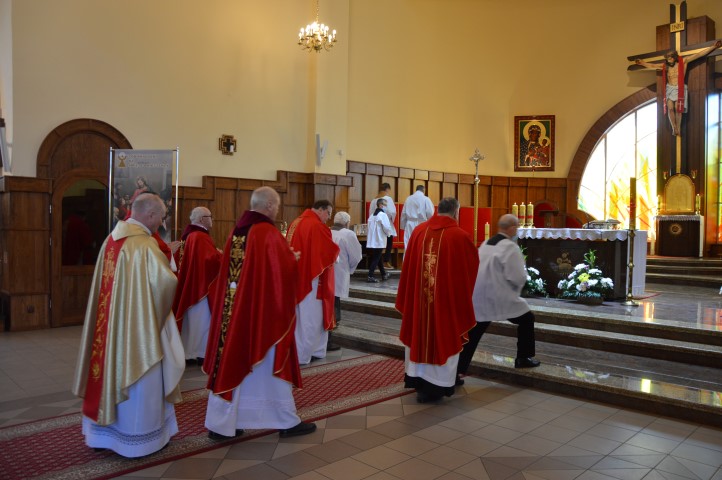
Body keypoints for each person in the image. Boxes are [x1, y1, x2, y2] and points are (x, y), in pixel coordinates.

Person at [71, 193, 185, 457]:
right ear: (151, 215)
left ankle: (102, 435)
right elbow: (167, 283)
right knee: (141, 381)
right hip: (137, 331)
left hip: (108, 328)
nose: (161, 223)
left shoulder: (111, 240)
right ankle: (139, 440)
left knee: (106, 372)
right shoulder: (144, 245)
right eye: (161, 218)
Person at [203, 186, 316, 439]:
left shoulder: (237, 231)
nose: (277, 211)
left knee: (232, 360)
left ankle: (222, 424)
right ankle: (285, 420)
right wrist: (293, 260)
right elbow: (278, 272)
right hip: (262, 317)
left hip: (234, 313)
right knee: (268, 363)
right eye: (277, 206)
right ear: (269, 206)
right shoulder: (266, 232)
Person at [397, 197, 479, 403]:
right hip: (445, 304)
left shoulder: (418, 232)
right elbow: (470, 271)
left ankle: (417, 381)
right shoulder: (460, 236)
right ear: (456, 212)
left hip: (419, 304)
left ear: (437, 210)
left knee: (420, 334)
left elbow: (408, 269)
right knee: (444, 335)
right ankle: (437, 386)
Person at [457, 214, 541, 384]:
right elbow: (517, 276)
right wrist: (517, 289)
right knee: (527, 318)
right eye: (516, 227)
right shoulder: (510, 247)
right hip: (499, 296)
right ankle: (523, 358)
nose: (517, 230)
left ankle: (455, 371)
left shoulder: (486, 243)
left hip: (479, 295)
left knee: (473, 333)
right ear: (512, 228)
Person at [286, 199, 340, 365]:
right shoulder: (316, 226)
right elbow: (328, 251)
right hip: (312, 279)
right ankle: (304, 355)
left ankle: (315, 350)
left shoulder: (295, 222)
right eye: (328, 213)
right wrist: (336, 253)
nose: (328, 218)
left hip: (296, 276)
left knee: (300, 316)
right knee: (311, 317)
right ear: (321, 210)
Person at [635, 40, 722, 136]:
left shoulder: (683, 62)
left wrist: (713, 47)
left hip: (679, 88)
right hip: (669, 88)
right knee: (670, 108)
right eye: (667, 59)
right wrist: (642, 63)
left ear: (674, 58)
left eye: (670, 58)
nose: (668, 60)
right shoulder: (666, 66)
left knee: (678, 108)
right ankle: (674, 127)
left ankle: (678, 127)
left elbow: (699, 55)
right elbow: (652, 65)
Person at [172, 206, 222, 366]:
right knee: (202, 321)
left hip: (191, 285)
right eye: (210, 216)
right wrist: (222, 256)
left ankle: (189, 352)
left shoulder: (189, 236)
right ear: (201, 219)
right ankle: (200, 353)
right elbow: (210, 260)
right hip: (200, 288)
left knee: (192, 323)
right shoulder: (200, 237)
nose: (212, 219)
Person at [330, 211, 363, 349]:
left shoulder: (327, 231)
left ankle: (331, 321)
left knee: (331, 296)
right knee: (335, 297)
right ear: (347, 223)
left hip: (327, 270)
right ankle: (334, 321)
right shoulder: (348, 234)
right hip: (340, 269)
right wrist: (350, 268)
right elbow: (356, 255)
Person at [369, 183, 397, 268]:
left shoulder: (374, 200)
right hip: (385, 222)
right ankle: (385, 261)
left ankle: (377, 263)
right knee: (389, 242)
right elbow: (392, 212)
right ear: (387, 189)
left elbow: (371, 213)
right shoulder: (387, 199)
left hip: (376, 224)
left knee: (377, 244)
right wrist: (391, 219)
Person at [366, 198, 393, 283]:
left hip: (373, 239)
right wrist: (389, 234)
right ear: (380, 205)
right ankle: (370, 275)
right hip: (379, 239)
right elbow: (386, 227)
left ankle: (383, 274)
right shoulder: (382, 215)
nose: (386, 207)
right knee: (376, 257)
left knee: (378, 256)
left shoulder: (372, 215)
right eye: (385, 205)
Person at [399, 185, 434, 250]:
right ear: (424, 190)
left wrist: (403, 226)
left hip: (410, 223)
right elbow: (430, 213)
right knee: (421, 242)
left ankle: (407, 256)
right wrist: (430, 224)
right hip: (422, 223)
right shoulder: (426, 199)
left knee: (409, 243)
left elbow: (403, 213)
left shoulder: (408, 199)